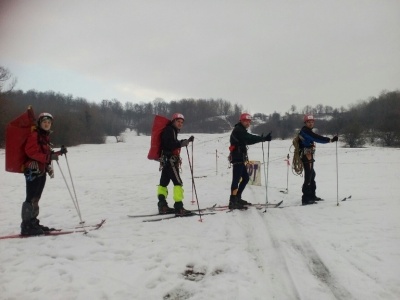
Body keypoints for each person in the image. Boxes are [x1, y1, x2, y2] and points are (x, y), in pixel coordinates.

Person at [20, 112, 68, 235]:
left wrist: (59, 153)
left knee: (36, 198)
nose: (47, 124)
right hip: (33, 170)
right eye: (44, 122)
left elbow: (47, 154)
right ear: (40, 123)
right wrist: (48, 158)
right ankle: (26, 226)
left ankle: (33, 222)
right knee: (30, 198)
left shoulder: (44, 137)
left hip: (41, 170)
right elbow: (30, 152)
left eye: (49, 123)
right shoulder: (34, 135)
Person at [228, 113, 271, 209]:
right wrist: (263, 138)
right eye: (246, 121)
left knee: (246, 178)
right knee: (236, 180)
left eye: (249, 121)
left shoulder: (241, 130)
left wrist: (262, 139)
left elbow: (249, 140)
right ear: (241, 121)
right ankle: (232, 201)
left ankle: (237, 197)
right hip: (237, 158)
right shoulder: (239, 130)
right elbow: (249, 138)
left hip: (240, 158)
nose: (248, 123)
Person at [157, 113, 194, 216]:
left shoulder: (171, 130)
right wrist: (183, 143)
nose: (180, 123)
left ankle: (162, 205)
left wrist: (184, 141)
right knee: (178, 183)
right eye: (178, 121)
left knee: (163, 183)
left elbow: (171, 143)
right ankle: (179, 207)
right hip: (170, 161)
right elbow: (170, 144)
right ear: (173, 121)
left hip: (166, 161)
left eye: (182, 122)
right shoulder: (170, 130)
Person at [298, 114, 338, 205]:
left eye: (312, 122)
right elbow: (316, 138)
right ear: (305, 123)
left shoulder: (308, 131)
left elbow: (314, 137)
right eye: (309, 122)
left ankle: (312, 195)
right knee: (308, 175)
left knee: (312, 174)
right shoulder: (305, 131)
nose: (311, 123)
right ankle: (306, 198)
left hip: (308, 154)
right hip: (305, 155)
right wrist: (330, 140)